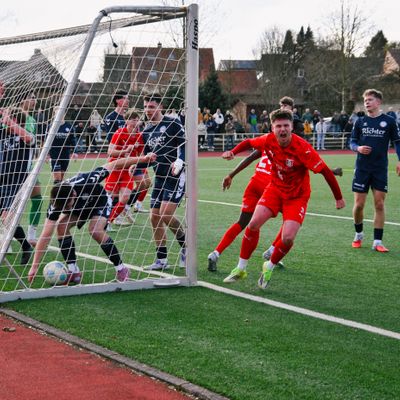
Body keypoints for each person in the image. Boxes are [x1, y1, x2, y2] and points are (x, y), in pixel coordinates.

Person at [221, 109, 345, 289]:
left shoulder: (303, 148)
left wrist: (338, 198)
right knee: (253, 224)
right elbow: (248, 142)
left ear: (291, 127)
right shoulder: (268, 139)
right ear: (272, 128)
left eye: (286, 125)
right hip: (275, 189)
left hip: (297, 196)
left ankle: (269, 266)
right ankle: (241, 268)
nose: (282, 129)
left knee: (287, 238)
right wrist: (233, 151)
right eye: (278, 126)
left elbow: (325, 171)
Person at [27, 153, 156, 284]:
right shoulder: (55, 205)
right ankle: (73, 271)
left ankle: (121, 269)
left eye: (68, 205)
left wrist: (142, 159)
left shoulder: (87, 180)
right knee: (61, 226)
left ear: (74, 194)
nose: (66, 209)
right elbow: (45, 235)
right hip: (80, 209)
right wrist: (34, 266)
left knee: (95, 230)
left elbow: (115, 164)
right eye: (64, 207)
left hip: (99, 201)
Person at [350, 89, 400, 251]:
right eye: (365, 100)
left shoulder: (389, 121)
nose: (367, 102)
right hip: (362, 169)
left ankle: (377, 242)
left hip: (379, 169)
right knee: (359, 205)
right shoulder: (360, 121)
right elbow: (352, 142)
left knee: (379, 204)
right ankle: (358, 234)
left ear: (378, 102)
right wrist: (358, 148)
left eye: (370, 100)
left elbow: (397, 142)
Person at [141, 93, 186, 270]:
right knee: (154, 217)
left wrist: (180, 161)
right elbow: (148, 157)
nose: (148, 110)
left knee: (166, 215)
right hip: (159, 177)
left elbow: (184, 144)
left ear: (160, 107)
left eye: (151, 107)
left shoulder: (173, 123)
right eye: (146, 107)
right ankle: (161, 260)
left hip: (175, 176)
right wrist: (137, 166)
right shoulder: (146, 132)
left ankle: (186, 247)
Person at [0, 103, 35, 264]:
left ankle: (25, 246)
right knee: (5, 219)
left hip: (17, 183)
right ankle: (23, 245)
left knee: (7, 218)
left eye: (9, 119)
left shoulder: (25, 136)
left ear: (16, 120)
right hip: (2, 181)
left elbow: (29, 139)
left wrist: (9, 121)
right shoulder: (3, 134)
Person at [105, 109, 151, 225]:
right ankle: (104, 219)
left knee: (125, 197)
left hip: (128, 170)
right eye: (133, 120)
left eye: (137, 120)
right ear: (126, 121)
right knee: (110, 196)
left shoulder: (140, 136)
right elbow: (110, 152)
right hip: (115, 168)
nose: (136, 122)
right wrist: (125, 151)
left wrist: (136, 164)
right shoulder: (119, 133)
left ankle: (110, 220)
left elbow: (141, 154)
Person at [20, 92, 43, 247]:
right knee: (11, 205)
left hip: (28, 167)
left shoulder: (33, 120)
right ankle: (7, 236)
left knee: (37, 200)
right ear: (22, 99)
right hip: (13, 167)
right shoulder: (14, 116)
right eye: (31, 97)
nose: (34, 100)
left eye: (35, 98)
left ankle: (31, 235)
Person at [47, 107, 78, 183]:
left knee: (62, 180)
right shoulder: (51, 127)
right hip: (54, 155)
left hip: (65, 155)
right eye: (56, 113)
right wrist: (46, 154)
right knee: (57, 179)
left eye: (61, 113)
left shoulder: (69, 126)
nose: (59, 115)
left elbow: (73, 140)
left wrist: (75, 152)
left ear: (64, 114)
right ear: (54, 115)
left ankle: (60, 190)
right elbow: (46, 141)